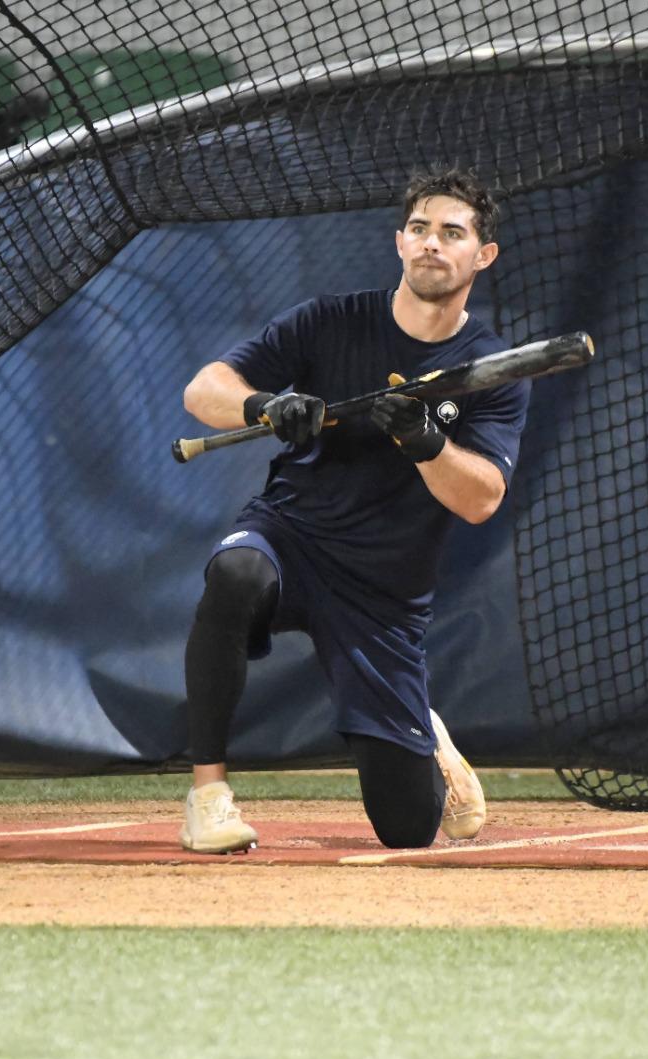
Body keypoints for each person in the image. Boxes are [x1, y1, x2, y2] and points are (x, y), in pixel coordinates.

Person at [177, 168, 529, 853]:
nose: (432, 244)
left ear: (481, 255)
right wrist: (266, 407)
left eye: (452, 233)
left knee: (406, 832)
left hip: (383, 589)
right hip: (293, 534)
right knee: (234, 575)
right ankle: (207, 795)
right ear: (400, 242)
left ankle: (424, 738)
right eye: (421, 229)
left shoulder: (491, 367)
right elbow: (204, 389)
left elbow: (482, 498)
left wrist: (425, 441)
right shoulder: (330, 320)